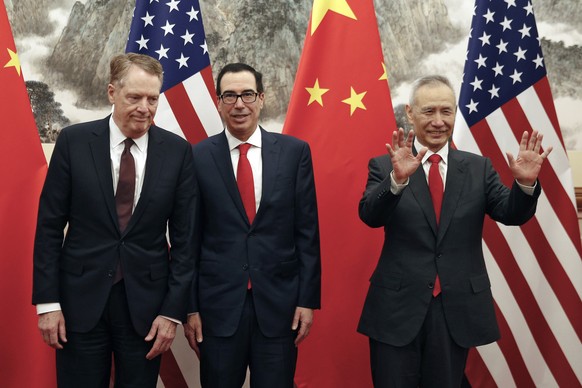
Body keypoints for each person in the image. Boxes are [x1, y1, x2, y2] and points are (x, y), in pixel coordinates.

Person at [357, 75, 553, 387]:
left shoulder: (479, 168)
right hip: (396, 310)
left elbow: (510, 213)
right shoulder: (385, 166)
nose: (438, 121)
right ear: (410, 113)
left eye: (446, 112)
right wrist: (397, 180)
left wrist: (525, 184)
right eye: (428, 111)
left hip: (454, 310)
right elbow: (370, 215)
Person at [32, 53, 196, 387]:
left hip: (146, 310)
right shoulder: (73, 142)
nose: (144, 108)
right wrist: (47, 303)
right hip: (79, 304)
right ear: (111, 93)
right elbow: (49, 227)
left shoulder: (178, 152)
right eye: (134, 97)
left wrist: (171, 312)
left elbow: (186, 241)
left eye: (153, 99)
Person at [183, 62, 321, 387]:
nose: (239, 104)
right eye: (229, 96)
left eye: (247, 94)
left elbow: (307, 232)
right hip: (217, 310)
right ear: (218, 102)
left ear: (261, 98)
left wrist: (306, 300)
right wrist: (190, 308)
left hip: (279, 308)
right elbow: (188, 239)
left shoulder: (294, 153)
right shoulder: (197, 157)